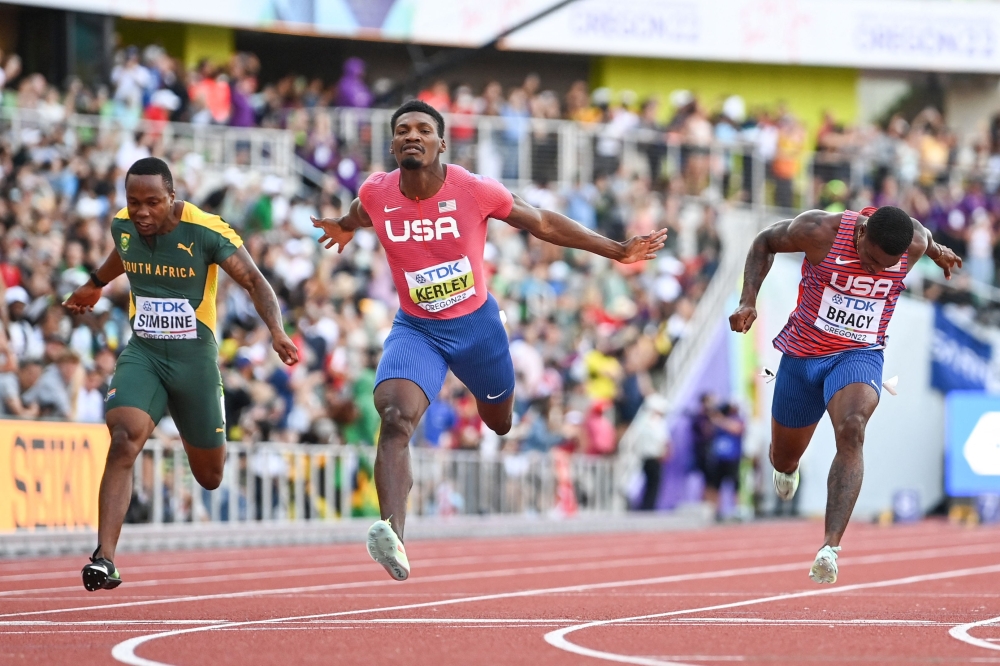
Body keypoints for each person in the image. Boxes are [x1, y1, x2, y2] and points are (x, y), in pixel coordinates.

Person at [311, 100, 666, 581]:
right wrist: (344, 227)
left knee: (498, 423)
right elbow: (360, 211)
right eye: (401, 130)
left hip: (477, 328)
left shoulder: (473, 190)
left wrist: (617, 249)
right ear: (393, 145)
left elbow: (541, 221)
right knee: (394, 419)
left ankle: (492, 405)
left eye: (422, 129)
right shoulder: (377, 192)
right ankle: (393, 534)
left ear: (441, 143)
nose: (410, 135)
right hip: (417, 329)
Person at [64, 157, 298, 591]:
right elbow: (124, 253)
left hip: (194, 360)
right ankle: (104, 558)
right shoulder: (124, 225)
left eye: (153, 202)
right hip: (145, 353)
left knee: (210, 476)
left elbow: (255, 282)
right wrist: (96, 281)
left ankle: (204, 421)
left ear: (173, 197)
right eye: (134, 203)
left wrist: (276, 331)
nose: (142, 213)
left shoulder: (207, 229)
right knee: (123, 437)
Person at [729, 205, 961, 584]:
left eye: (886, 267)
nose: (874, 270)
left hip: (860, 354)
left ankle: (829, 547)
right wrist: (747, 300)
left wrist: (940, 254)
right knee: (783, 456)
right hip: (803, 356)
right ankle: (787, 467)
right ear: (862, 232)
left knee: (852, 428)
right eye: (870, 259)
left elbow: (927, 240)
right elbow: (763, 242)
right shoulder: (819, 230)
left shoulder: (915, 241)